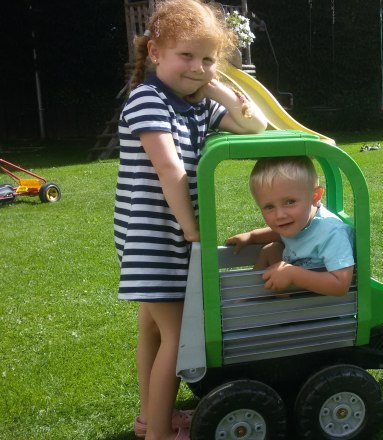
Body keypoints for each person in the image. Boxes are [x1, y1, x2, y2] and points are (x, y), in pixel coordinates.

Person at [113, 1, 268, 439]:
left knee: (154, 328)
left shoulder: (196, 105)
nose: (197, 68)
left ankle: (150, 419)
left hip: (167, 234)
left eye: (207, 59)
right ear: (156, 51)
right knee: (177, 338)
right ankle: (160, 433)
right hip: (155, 236)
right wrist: (191, 230)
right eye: (187, 56)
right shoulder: (148, 98)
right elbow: (169, 169)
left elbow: (253, 128)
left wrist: (217, 89)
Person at [226, 156, 355, 296]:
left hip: (318, 307)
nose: (280, 215)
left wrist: (292, 274)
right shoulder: (298, 221)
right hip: (294, 292)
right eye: (269, 206)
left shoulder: (331, 232)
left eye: (290, 202)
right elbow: (277, 233)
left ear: (315, 196)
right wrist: (251, 236)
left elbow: (340, 285)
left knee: (273, 250)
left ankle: (252, 303)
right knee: (271, 249)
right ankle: (247, 298)